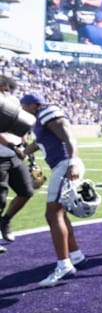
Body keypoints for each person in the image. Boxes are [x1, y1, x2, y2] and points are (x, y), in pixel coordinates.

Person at [20, 92, 87, 288]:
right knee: (60, 213)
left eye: (24, 107)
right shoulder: (41, 118)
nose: (23, 111)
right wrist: (23, 152)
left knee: (52, 214)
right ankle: (76, 256)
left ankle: (64, 265)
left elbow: (67, 134)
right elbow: (39, 143)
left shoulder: (48, 112)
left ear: (32, 105)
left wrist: (73, 162)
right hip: (62, 165)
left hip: (65, 165)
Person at [0, 76, 36, 244]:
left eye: (7, 89)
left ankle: (5, 220)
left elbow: (21, 123)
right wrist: (12, 146)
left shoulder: (13, 101)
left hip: (14, 155)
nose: (5, 93)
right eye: (2, 90)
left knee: (26, 191)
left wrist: (23, 139)